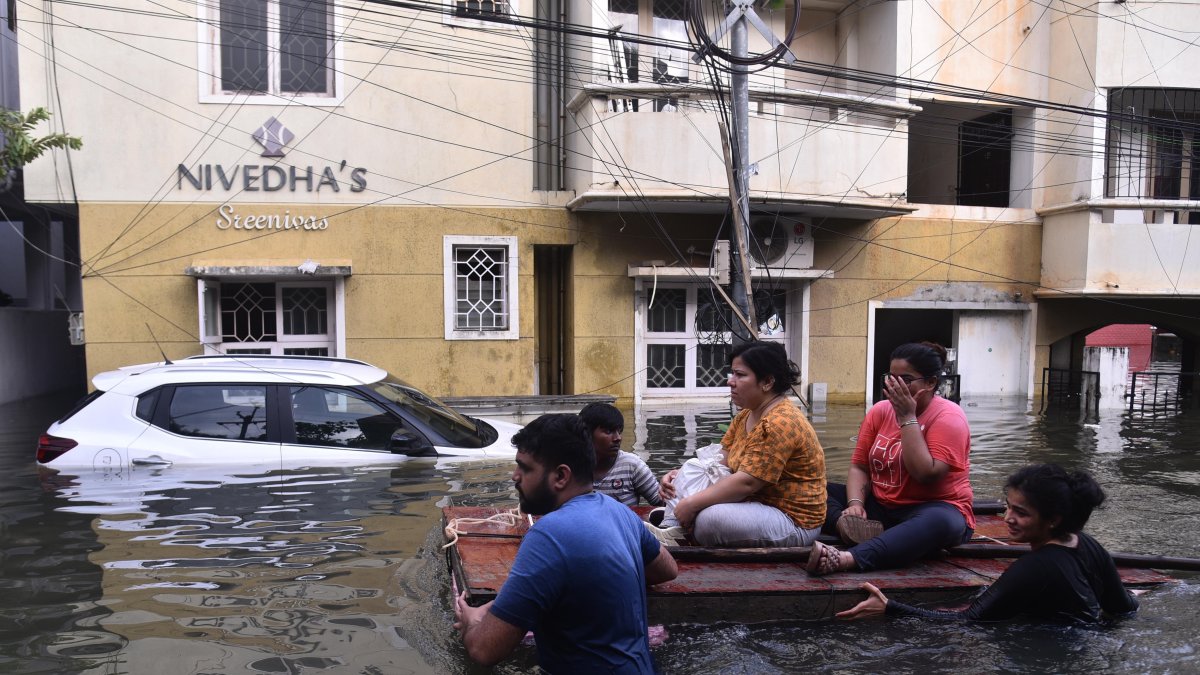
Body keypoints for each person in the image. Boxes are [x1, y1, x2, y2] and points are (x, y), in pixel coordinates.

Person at [453, 413, 679, 672]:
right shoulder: (620, 513)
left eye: (524, 468)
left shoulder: (548, 535)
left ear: (561, 476)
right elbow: (667, 569)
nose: (515, 477)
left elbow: (484, 650)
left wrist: (472, 621)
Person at [836, 464, 1140, 623]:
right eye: (1008, 506)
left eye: (1020, 513)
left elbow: (967, 621)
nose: (1007, 517)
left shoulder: (1034, 567)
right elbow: (1124, 608)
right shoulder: (1089, 546)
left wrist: (890, 608)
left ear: (1053, 520)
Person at [809, 341, 973, 575]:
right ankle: (845, 524)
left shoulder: (949, 417)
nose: (894, 385)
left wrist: (907, 416)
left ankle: (848, 558)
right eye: (890, 378)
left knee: (941, 523)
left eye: (905, 380)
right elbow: (859, 466)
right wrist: (856, 504)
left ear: (930, 383)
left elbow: (925, 474)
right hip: (882, 506)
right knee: (808, 488)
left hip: (932, 509)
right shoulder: (880, 410)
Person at [654, 341, 826, 548]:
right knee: (693, 470)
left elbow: (747, 483)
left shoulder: (780, 422)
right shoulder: (746, 414)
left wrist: (691, 503)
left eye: (740, 375)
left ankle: (678, 527)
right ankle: (669, 528)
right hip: (752, 504)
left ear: (767, 382)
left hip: (792, 520)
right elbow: (719, 461)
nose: (731, 382)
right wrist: (678, 476)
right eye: (732, 374)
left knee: (709, 520)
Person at [581, 402, 663, 507]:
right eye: (608, 431)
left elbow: (662, 505)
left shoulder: (632, 465)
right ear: (587, 434)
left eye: (619, 431)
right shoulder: (573, 468)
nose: (618, 438)